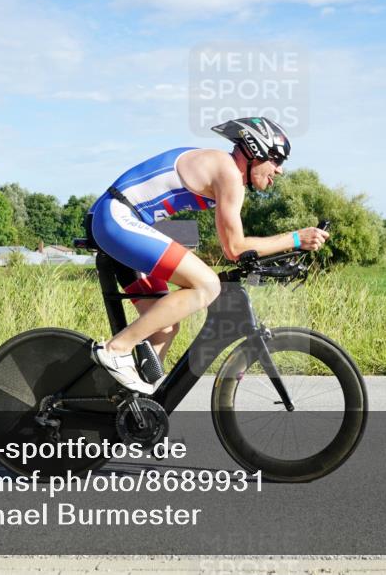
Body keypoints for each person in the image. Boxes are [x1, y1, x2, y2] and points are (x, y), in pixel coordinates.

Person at [85, 117, 330, 393]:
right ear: (256, 151)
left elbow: (235, 247)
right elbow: (235, 248)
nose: (280, 170)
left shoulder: (226, 172)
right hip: (116, 218)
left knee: (164, 327)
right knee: (208, 285)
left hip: (114, 219)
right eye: (276, 160)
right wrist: (296, 239)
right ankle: (116, 349)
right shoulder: (227, 172)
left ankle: (128, 407)